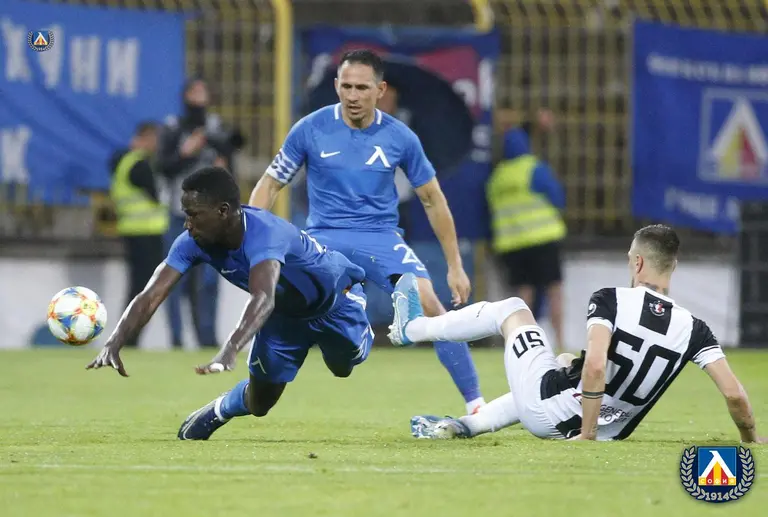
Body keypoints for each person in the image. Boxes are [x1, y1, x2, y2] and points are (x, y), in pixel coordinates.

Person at [249, 49, 486, 415]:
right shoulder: (310, 129)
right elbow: (269, 184)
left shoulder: (400, 137)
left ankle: (476, 405)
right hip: (323, 240)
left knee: (433, 307)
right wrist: (253, 243)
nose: (353, 95)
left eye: (362, 88)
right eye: (346, 86)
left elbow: (433, 200)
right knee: (285, 307)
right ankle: (255, 388)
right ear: (336, 86)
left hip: (380, 239)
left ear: (380, 90)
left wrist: (455, 265)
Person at [390, 225, 766, 443]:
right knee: (560, 362)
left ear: (637, 262)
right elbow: (734, 394)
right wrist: (751, 440)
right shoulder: (695, 329)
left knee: (513, 310)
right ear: (674, 267)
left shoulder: (611, 300)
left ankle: (414, 328)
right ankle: (464, 426)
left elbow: (597, 366)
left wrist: (586, 435)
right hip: (608, 429)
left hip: (559, 417)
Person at [86, 166, 374, 441]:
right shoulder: (192, 242)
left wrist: (230, 349)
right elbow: (151, 295)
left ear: (223, 211)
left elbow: (263, 296)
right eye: (186, 215)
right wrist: (114, 342)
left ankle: (353, 331)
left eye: (194, 215)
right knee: (260, 404)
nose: (187, 224)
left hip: (336, 303)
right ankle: (219, 409)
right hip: (282, 318)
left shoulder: (265, 233)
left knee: (343, 367)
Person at [156, 78, 242, 349]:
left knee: (208, 281)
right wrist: (186, 153)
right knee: (174, 280)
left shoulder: (216, 128)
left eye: (203, 92)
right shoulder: (174, 128)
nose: (198, 98)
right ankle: (176, 339)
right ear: (184, 96)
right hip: (178, 215)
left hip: (211, 220)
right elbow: (163, 166)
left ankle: (207, 339)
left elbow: (231, 164)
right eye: (193, 92)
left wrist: (224, 165)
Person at [487, 127, 566, 351]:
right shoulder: (534, 168)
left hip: (512, 244)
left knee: (523, 296)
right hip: (543, 239)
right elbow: (558, 198)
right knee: (554, 291)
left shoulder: (497, 178)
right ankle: (560, 342)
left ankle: (523, 344)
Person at [109, 121, 168, 348]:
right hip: (146, 232)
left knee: (139, 287)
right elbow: (157, 195)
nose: (156, 145)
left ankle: (128, 337)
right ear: (146, 138)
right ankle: (129, 338)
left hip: (134, 231)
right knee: (143, 288)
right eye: (154, 140)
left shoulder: (125, 162)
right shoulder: (139, 165)